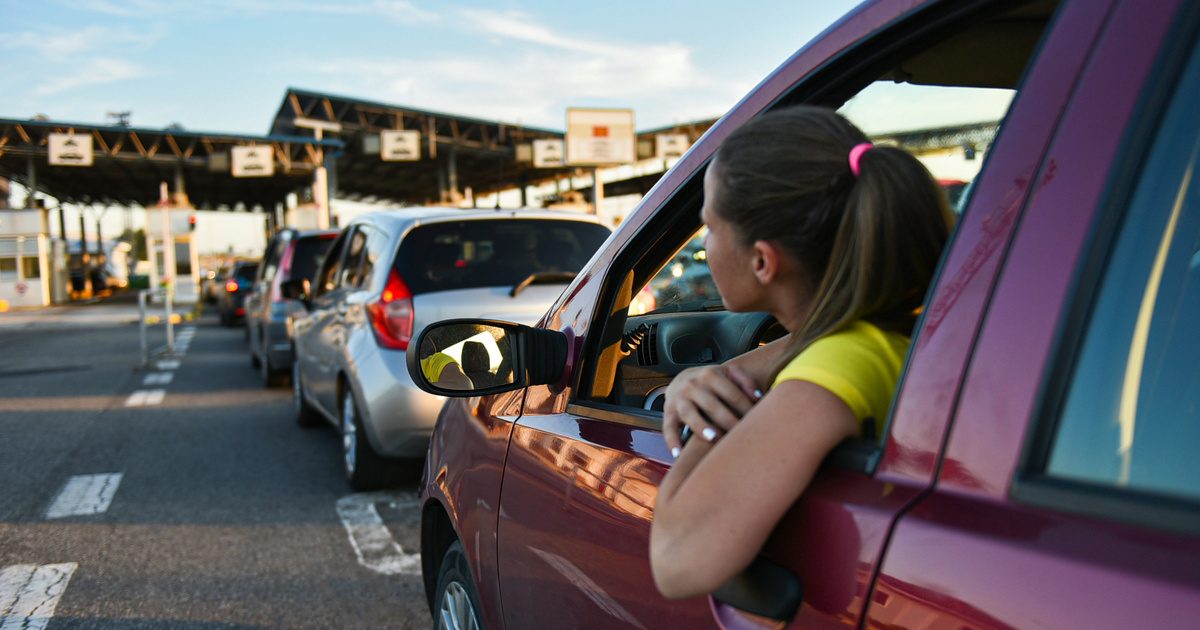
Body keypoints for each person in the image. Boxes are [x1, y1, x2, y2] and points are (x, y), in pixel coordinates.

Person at [649, 106, 953, 599]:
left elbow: (676, 561)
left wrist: (711, 426)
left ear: (763, 260)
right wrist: (702, 380)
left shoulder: (836, 367)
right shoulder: (868, 342)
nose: (705, 244)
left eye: (710, 226)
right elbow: (802, 348)